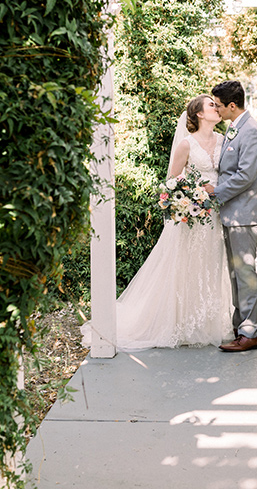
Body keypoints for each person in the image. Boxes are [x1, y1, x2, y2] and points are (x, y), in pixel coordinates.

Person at [103, 94, 231, 351]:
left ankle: (205, 322)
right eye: (211, 105)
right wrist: (192, 199)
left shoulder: (224, 141)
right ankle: (181, 323)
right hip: (191, 217)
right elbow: (173, 184)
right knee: (186, 267)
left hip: (216, 215)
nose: (217, 108)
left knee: (211, 264)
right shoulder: (186, 144)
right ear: (199, 114)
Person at [205, 80, 257, 353]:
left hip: (246, 214)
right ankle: (240, 326)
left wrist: (215, 192)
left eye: (219, 106)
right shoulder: (235, 127)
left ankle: (250, 333)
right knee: (235, 274)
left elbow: (245, 176)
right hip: (233, 213)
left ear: (232, 105)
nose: (217, 110)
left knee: (244, 274)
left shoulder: (251, 131)